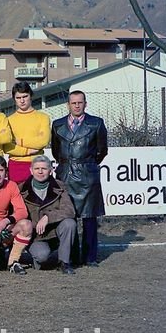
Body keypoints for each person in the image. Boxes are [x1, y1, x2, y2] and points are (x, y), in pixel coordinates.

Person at [51, 90, 108, 267]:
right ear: (68, 105)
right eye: (73, 103)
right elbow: (55, 150)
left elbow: (102, 150)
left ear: (85, 104)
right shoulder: (57, 124)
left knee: (89, 218)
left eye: (80, 102)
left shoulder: (96, 123)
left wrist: (88, 166)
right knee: (69, 216)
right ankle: (73, 256)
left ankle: (90, 257)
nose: (77, 105)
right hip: (65, 175)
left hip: (87, 175)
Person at [19, 156, 76, 274]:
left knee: (69, 223)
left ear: (51, 171)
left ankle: (64, 262)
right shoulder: (21, 189)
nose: (40, 172)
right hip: (35, 236)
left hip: (55, 232)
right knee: (42, 256)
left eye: (44, 169)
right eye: (37, 168)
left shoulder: (60, 186)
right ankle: (37, 258)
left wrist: (48, 217)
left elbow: (70, 210)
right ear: (31, 170)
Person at [4, 82, 51, 184]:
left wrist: (18, 141)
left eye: (25, 96)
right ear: (14, 99)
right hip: (16, 165)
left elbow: (43, 141)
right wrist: (27, 151)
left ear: (31, 96)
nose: (22, 100)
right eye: (18, 97)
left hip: (38, 165)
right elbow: (7, 146)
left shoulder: (43, 117)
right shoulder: (8, 120)